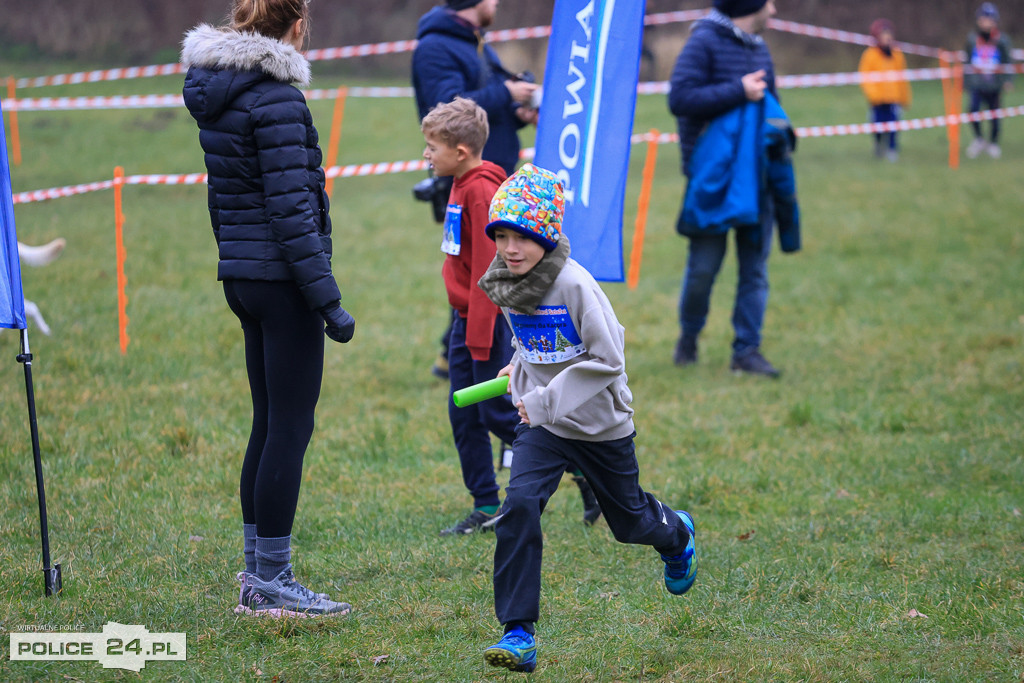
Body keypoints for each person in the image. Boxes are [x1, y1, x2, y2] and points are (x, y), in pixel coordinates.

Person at [476, 164, 697, 673]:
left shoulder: (575, 285)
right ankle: (518, 633)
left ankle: (676, 533)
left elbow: (608, 358)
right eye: (502, 236)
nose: (510, 248)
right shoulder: (508, 282)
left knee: (630, 523)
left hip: (600, 426)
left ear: (548, 236)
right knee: (520, 505)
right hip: (544, 427)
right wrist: (520, 364)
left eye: (523, 237)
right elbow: (535, 340)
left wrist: (548, 397)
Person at [182, 0, 354, 618]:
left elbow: (221, 196)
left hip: (242, 274)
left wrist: (235, 260)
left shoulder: (219, 93)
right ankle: (273, 580)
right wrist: (328, 301)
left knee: (268, 420)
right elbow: (292, 214)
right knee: (289, 426)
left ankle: (259, 578)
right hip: (282, 282)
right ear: (296, 26)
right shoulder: (278, 99)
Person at [422, 99, 600, 535]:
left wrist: (480, 336)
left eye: (431, 147)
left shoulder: (481, 191)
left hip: (481, 324)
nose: (426, 155)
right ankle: (486, 505)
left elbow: (492, 273)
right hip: (464, 320)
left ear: (460, 151)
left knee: (500, 413)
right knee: (464, 414)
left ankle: (581, 467)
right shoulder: (460, 184)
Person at [412, 0, 539, 382]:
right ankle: (464, 355)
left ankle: (463, 355)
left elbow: (475, 121)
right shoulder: (436, 46)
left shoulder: (475, 42)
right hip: (469, 186)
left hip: (492, 176)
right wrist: (507, 92)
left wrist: (515, 114)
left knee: (487, 268)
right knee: (477, 269)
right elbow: (448, 113)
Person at [668, 0, 783, 378]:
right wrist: (738, 90)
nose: (774, 10)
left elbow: (772, 109)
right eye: (769, 2)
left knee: (755, 272)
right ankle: (689, 338)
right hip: (713, 184)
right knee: (703, 271)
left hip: (757, 182)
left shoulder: (760, 46)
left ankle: (746, 351)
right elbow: (680, 99)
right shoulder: (703, 42)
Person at [965, 2, 1014, 159]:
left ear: (995, 21)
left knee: (995, 115)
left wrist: (1008, 80)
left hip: (994, 84)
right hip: (977, 84)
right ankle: (979, 140)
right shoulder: (972, 39)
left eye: (989, 19)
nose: (986, 22)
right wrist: (966, 82)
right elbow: (966, 62)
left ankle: (993, 143)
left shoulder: (1002, 40)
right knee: (973, 110)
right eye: (983, 18)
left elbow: (1008, 62)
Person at [858, 19, 911, 162]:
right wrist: (873, 95)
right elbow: (865, 77)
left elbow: (902, 79)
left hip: (893, 99)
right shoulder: (870, 55)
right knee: (877, 125)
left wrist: (904, 98)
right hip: (877, 100)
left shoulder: (897, 54)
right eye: (883, 35)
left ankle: (892, 148)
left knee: (893, 124)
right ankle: (878, 145)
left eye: (889, 35)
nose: (887, 38)